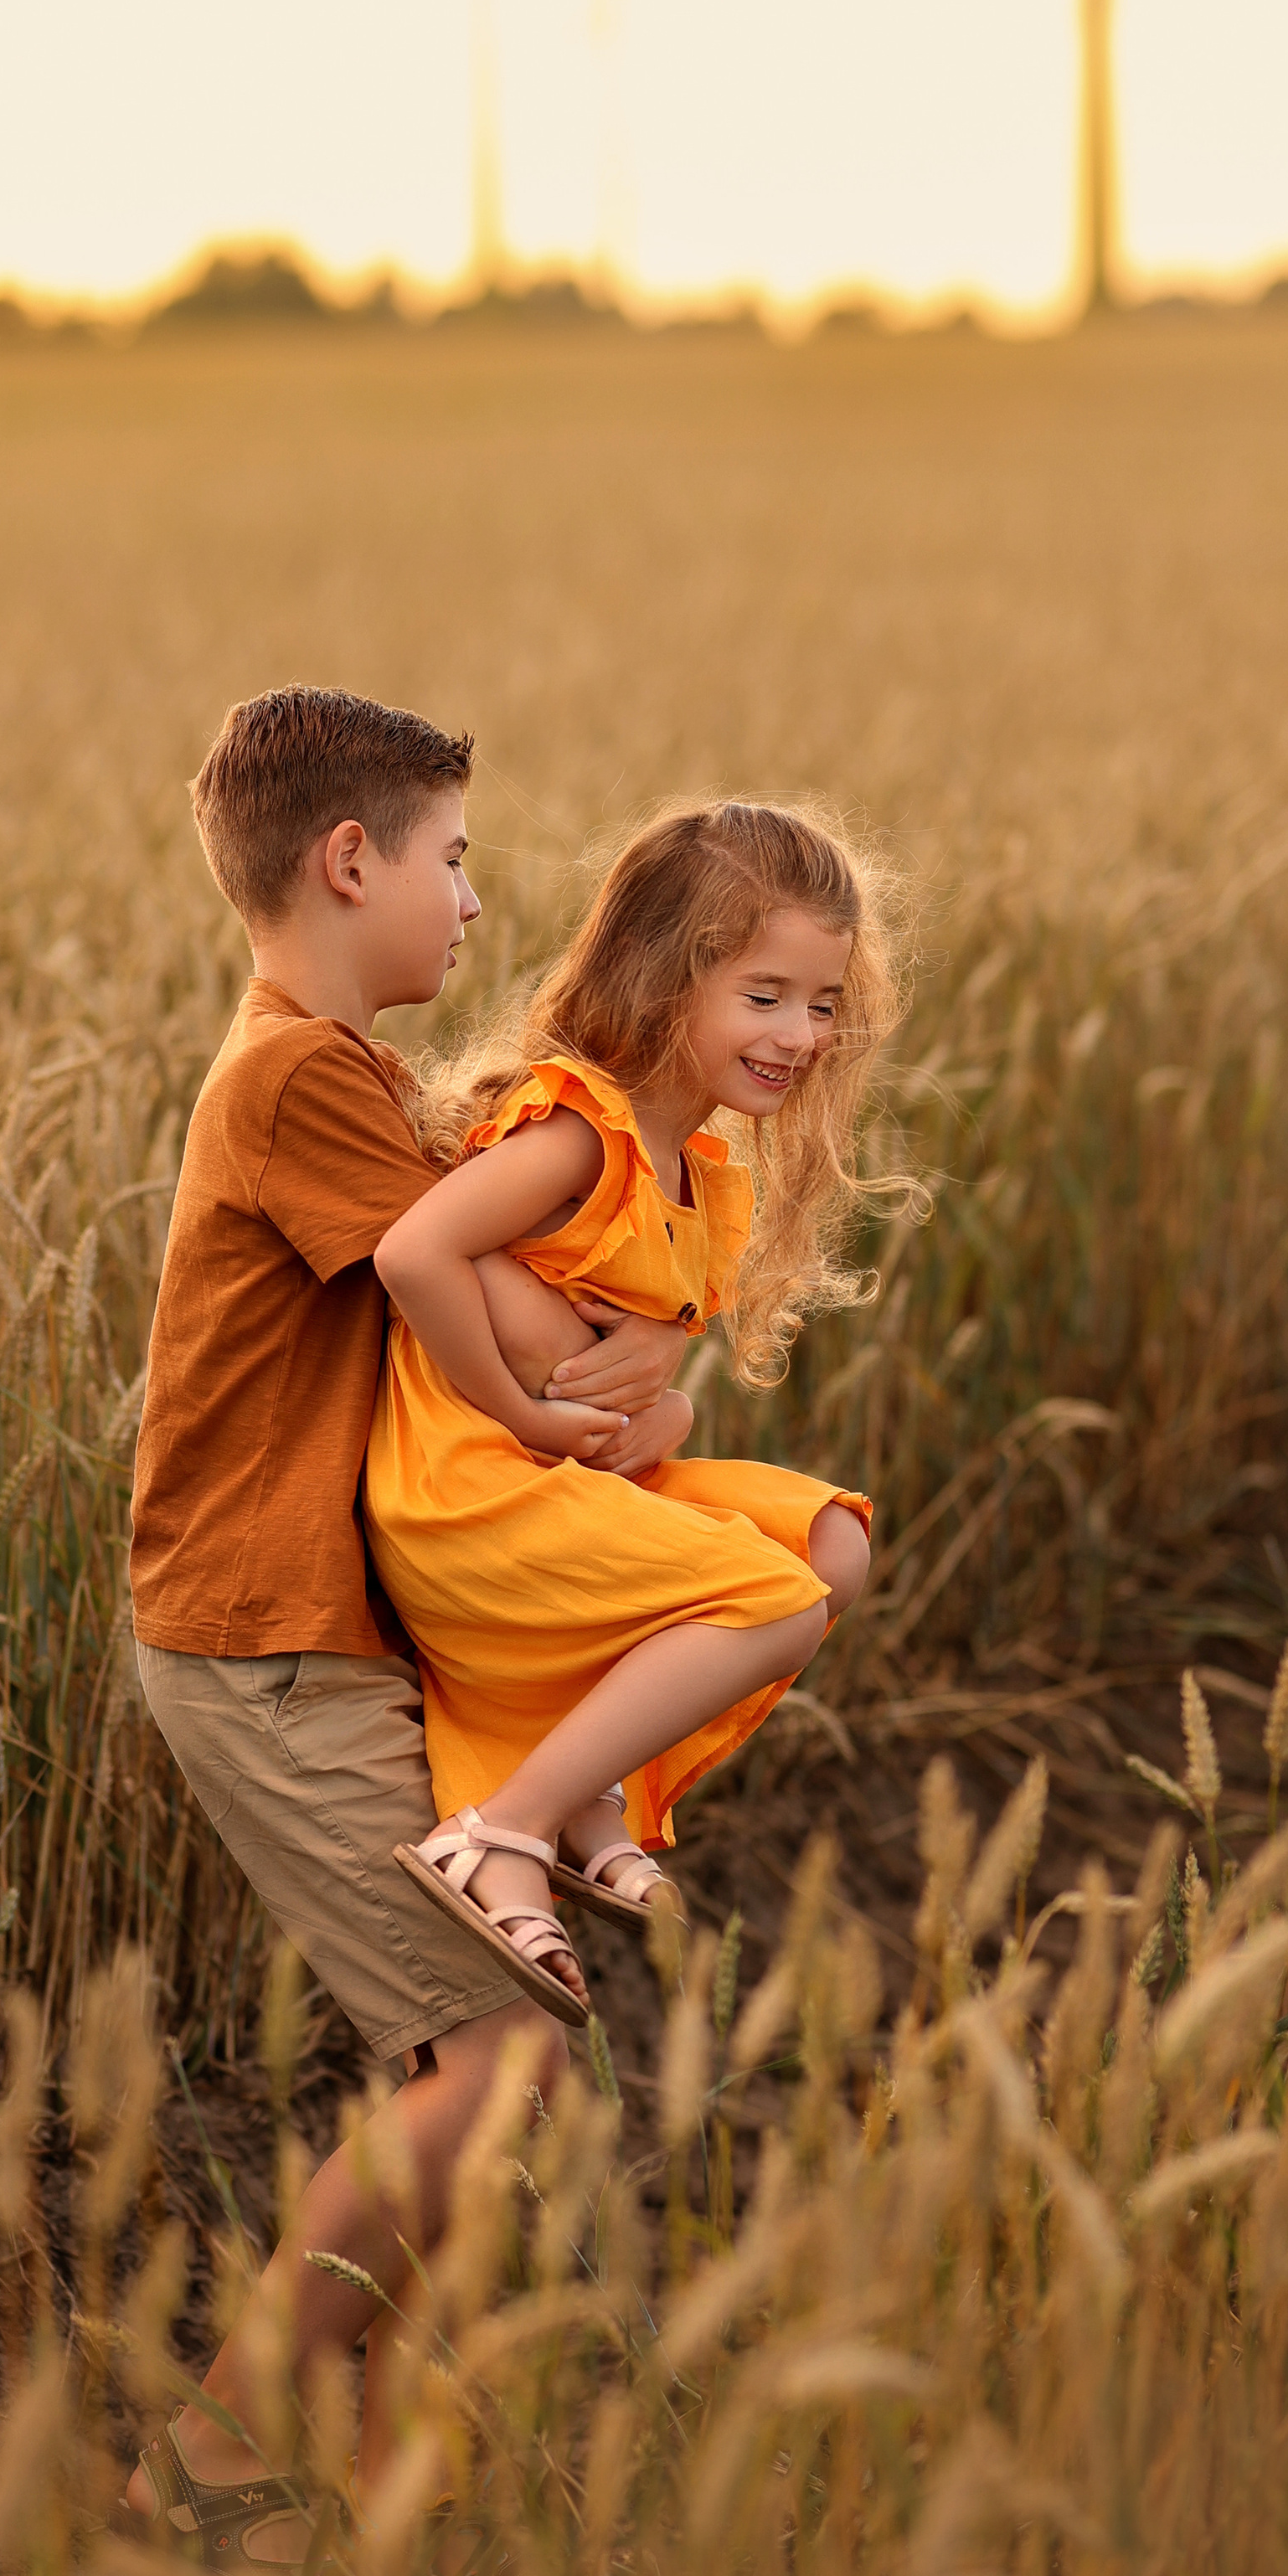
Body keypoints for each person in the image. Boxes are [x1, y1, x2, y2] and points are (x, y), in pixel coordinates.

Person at [124, 687, 696, 2565]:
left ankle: (368, 2499)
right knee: (499, 2054)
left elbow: (511, 1292)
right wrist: (653, 1336)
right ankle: (216, 2451)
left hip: (318, 1626)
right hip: (260, 1635)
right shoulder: (294, 1078)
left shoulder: (345, 1078)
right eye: (449, 860)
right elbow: (531, 1328)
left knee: (458, 2056)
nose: (471, 902)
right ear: (344, 859)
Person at [367, 800, 909, 2020]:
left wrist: (656, 1394)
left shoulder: (701, 1172)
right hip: (474, 1493)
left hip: (573, 1476)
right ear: (668, 979)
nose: (801, 1034)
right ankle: (505, 1825)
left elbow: (638, 1382)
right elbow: (415, 1256)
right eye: (765, 994)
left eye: (823, 1004)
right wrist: (518, 1403)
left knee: (833, 1545)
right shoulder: (575, 1133)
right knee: (768, 1603)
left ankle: (578, 1793)